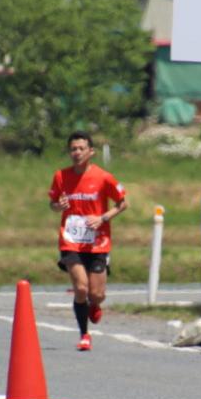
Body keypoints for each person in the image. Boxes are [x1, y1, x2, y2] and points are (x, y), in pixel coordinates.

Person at [49, 131, 128, 351]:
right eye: (73, 149)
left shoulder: (103, 177)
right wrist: (59, 206)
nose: (77, 153)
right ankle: (84, 334)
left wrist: (102, 218)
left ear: (91, 152)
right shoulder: (61, 176)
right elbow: (53, 204)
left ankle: (95, 304)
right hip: (70, 241)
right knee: (81, 289)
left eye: (81, 148)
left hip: (98, 242)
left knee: (96, 294)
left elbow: (123, 203)